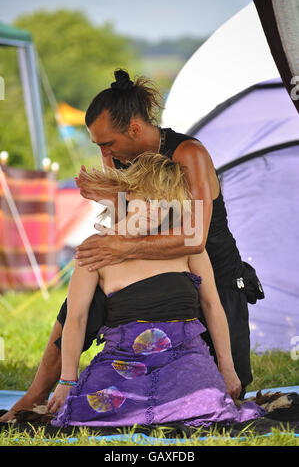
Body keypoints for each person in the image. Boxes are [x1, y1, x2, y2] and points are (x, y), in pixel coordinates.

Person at [0, 69, 256, 422]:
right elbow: (126, 222)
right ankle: (35, 395)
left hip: (207, 270)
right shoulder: (118, 156)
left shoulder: (189, 155)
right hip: (137, 269)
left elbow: (194, 237)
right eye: (99, 146)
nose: (104, 153)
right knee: (74, 310)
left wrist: (122, 249)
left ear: (134, 130)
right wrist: (110, 203)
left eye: (107, 144)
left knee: (233, 389)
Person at [48, 153, 265, 427]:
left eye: (164, 203)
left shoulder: (186, 246)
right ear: (129, 194)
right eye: (147, 198)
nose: (154, 209)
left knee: (208, 404)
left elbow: (212, 306)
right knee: (84, 413)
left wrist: (228, 367)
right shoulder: (96, 247)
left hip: (185, 359)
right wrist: (67, 379)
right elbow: (76, 318)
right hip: (123, 362)